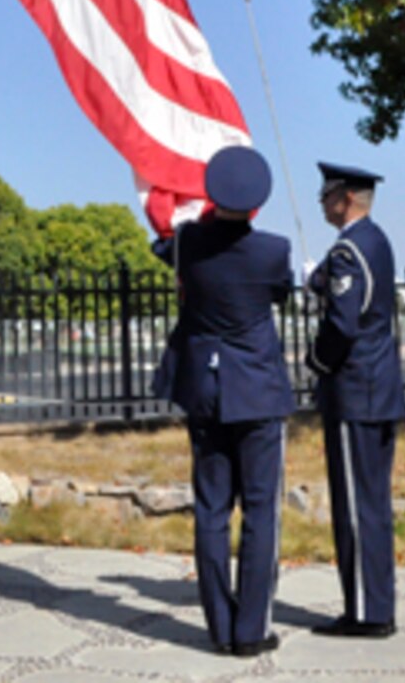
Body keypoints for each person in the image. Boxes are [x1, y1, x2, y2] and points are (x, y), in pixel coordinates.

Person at [150, 146, 292, 659]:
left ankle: (220, 625)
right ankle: (251, 628)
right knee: (260, 511)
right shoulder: (273, 249)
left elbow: (163, 248)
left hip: (204, 391)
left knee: (211, 510)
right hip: (255, 391)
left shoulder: (189, 243)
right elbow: (281, 293)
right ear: (258, 200)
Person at [305, 161, 405, 639]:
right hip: (379, 387)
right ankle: (376, 604)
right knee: (373, 502)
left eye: (327, 196)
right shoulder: (375, 241)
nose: (322, 203)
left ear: (345, 198)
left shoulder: (347, 250)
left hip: (354, 390)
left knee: (356, 507)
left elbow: (343, 325)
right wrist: (318, 279)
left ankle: (367, 612)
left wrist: (317, 362)